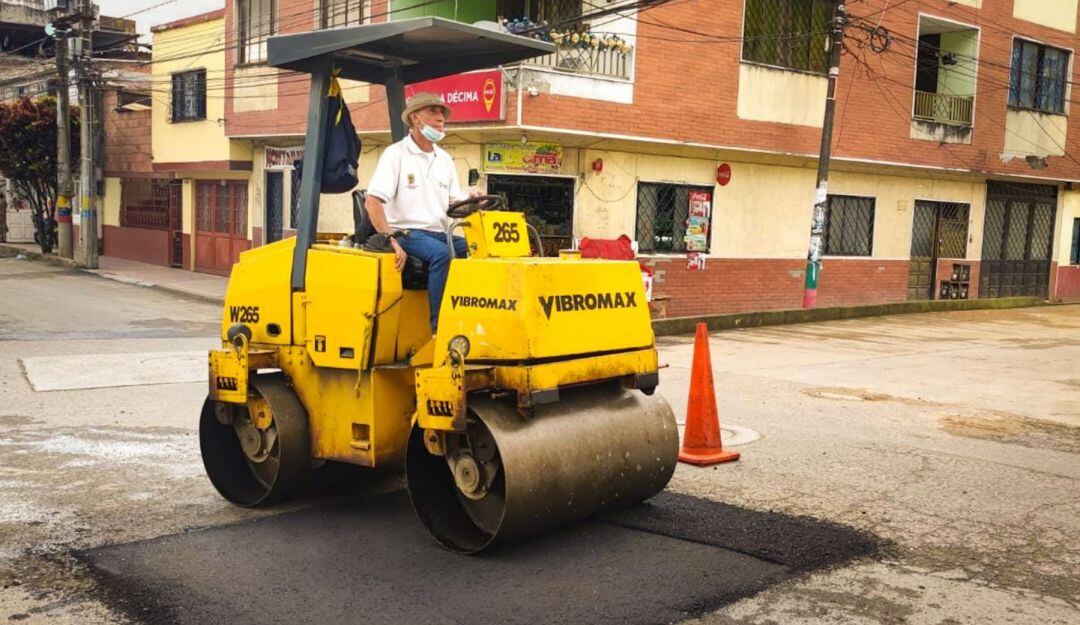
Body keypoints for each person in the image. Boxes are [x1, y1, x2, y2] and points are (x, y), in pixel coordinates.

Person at [364, 92, 477, 333]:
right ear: (415, 118)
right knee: (442, 255)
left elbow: (455, 206)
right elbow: (372, 201)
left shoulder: (444, 159)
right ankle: (439, 327)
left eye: (442, 114)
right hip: (407, 232)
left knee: (480, 248)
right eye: (433, 112)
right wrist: (390, 239)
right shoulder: (396, 155)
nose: (441, 119)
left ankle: (472, 318)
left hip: (439, 232)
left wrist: (473, 203)